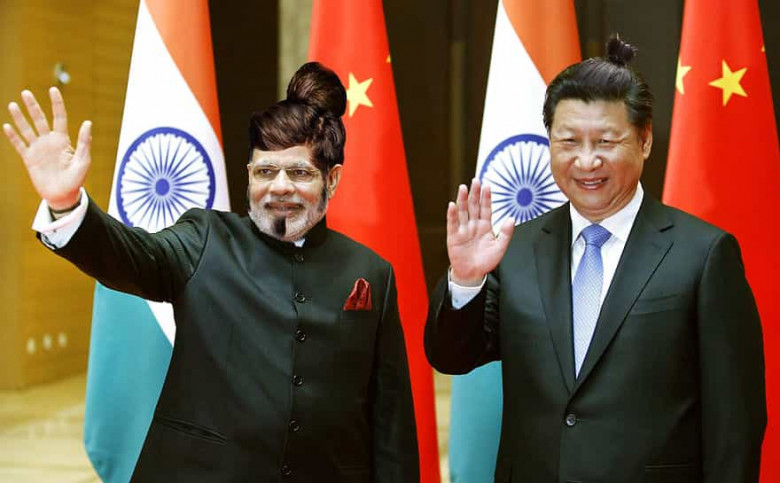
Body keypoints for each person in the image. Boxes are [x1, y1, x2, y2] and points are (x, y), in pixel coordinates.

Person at [4, 62, 419, 482]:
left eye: (299, 173)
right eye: (265, 171)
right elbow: (130, 255)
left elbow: (391, 421)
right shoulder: (206, 240)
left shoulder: (371, 273)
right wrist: (67, 205)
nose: (279, 187)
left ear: (332, 179)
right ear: (249, 176)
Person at [425, 37, 766, 482]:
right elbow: (452, 357)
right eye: (568, 141)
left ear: (644, 140)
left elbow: (735, 425)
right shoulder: (515, 249)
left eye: (605, 141)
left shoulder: (703, 255)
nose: (586, 161)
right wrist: (466, 279)